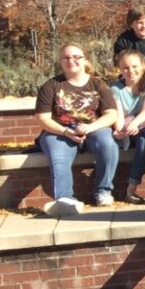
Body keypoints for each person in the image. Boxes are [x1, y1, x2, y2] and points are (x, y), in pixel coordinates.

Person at [35, 44, 120, 215]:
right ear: (60, 61)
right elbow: (43, 119)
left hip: (93, 128)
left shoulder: (98, 84)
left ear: (85, 60)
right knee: (58, 155)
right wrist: (65, 131)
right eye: (66, 57)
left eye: (76, 57)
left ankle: (103, 191)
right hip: (59, 130)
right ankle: (65, 199)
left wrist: (90, 127)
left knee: (108, 144)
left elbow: (111, 114)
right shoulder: (51, 86)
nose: (71, 61)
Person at [110, 49, 145, 203]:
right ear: (120, 69)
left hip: (144, 125)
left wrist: (135, 122)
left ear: (143, 66)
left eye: (134, 66)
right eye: (125, 68)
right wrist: (120, 130)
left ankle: (131, 189)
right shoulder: (116, 87)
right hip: (128, 131)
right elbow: (118, 114)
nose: (130, 71)